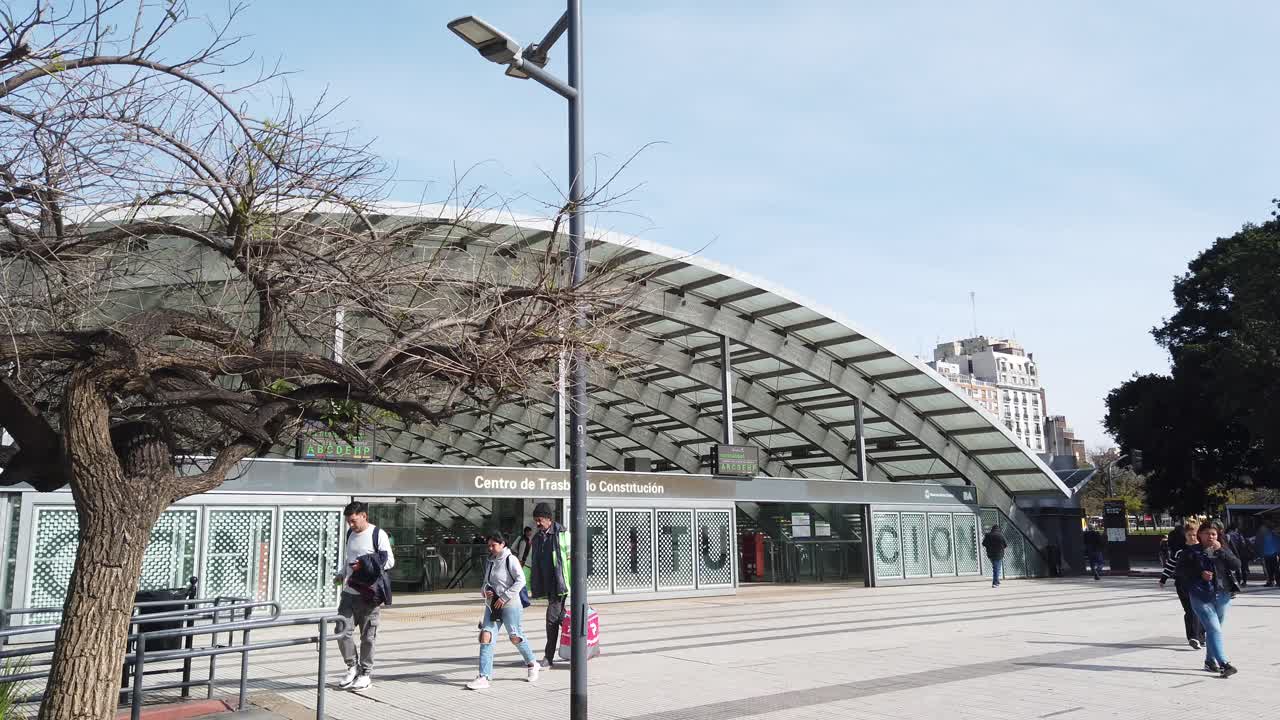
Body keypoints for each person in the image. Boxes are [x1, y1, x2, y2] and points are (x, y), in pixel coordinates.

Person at [333, 501, 395, 691]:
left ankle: (366, 673)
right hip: (349, 592)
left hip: (369, 595)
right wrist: (342, 573)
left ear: (363, 516)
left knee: (368, 636)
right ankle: (352, 666)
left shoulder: (378, 535)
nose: (350, 525)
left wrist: (365, 565)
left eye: (353, 521)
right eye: (348, 522)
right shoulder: (350, 534)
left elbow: (389, 562)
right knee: (341, 631)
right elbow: (348, 559)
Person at [465, 532, 540, 690]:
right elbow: (485, 583)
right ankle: (484, 676)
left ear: (503, 544)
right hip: (492, 605)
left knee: (515, 637)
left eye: (494, 545)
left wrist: (504, 597)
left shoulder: (510, 559)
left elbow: (521, 580)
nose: (491, 548)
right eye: (489, 545)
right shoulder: (490, 561)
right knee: (486, 636)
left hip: (511, 604)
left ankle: (532, 663)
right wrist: (486, 591)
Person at [1176, 522, 1241, 677]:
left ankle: (1210, 661)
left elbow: (1236, 565)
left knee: (1214, 631)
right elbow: (1180, 572)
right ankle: (1224, 664)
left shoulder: (1222, 549)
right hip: (1200, 595)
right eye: (1206, 533)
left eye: (1213, 534)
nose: (1210, 537)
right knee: (1214, 629)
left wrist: (1221, 551)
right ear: (1200, 535)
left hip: (1222, 594)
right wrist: (1200, 574)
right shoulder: (1191, 552)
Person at [529, 502, 571, 667]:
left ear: (548, 519)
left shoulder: (562, 534)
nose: (537, 523)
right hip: (547, 584)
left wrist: (571, 583)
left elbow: (570, 560)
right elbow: (533, 563)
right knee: (562, 618)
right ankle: (579, 646)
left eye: (539, 520)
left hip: (559, 584)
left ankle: (548, 657)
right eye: (536, 520)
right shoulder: (537, 537)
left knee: (551, 619)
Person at [1159, 522, 1204, 649]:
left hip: (1198, 585)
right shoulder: (1180, 551)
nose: (1192, 537)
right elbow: (1170, 565)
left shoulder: (1202, 549)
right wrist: (1163, 579)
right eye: (1189, 535)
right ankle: (1193, 637)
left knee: (1199, 610)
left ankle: (1200, 636)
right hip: (1182, 584)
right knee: (1189, 610)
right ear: (1185, 535)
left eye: (1194, 535)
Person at [1257, 522, 1280, 587]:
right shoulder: (1265, 536)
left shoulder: (1274, 536)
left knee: (1275, 569)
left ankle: (1276, 582)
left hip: (1273, 554)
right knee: (1270, 569)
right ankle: (1272, 582)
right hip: (1268, 555)